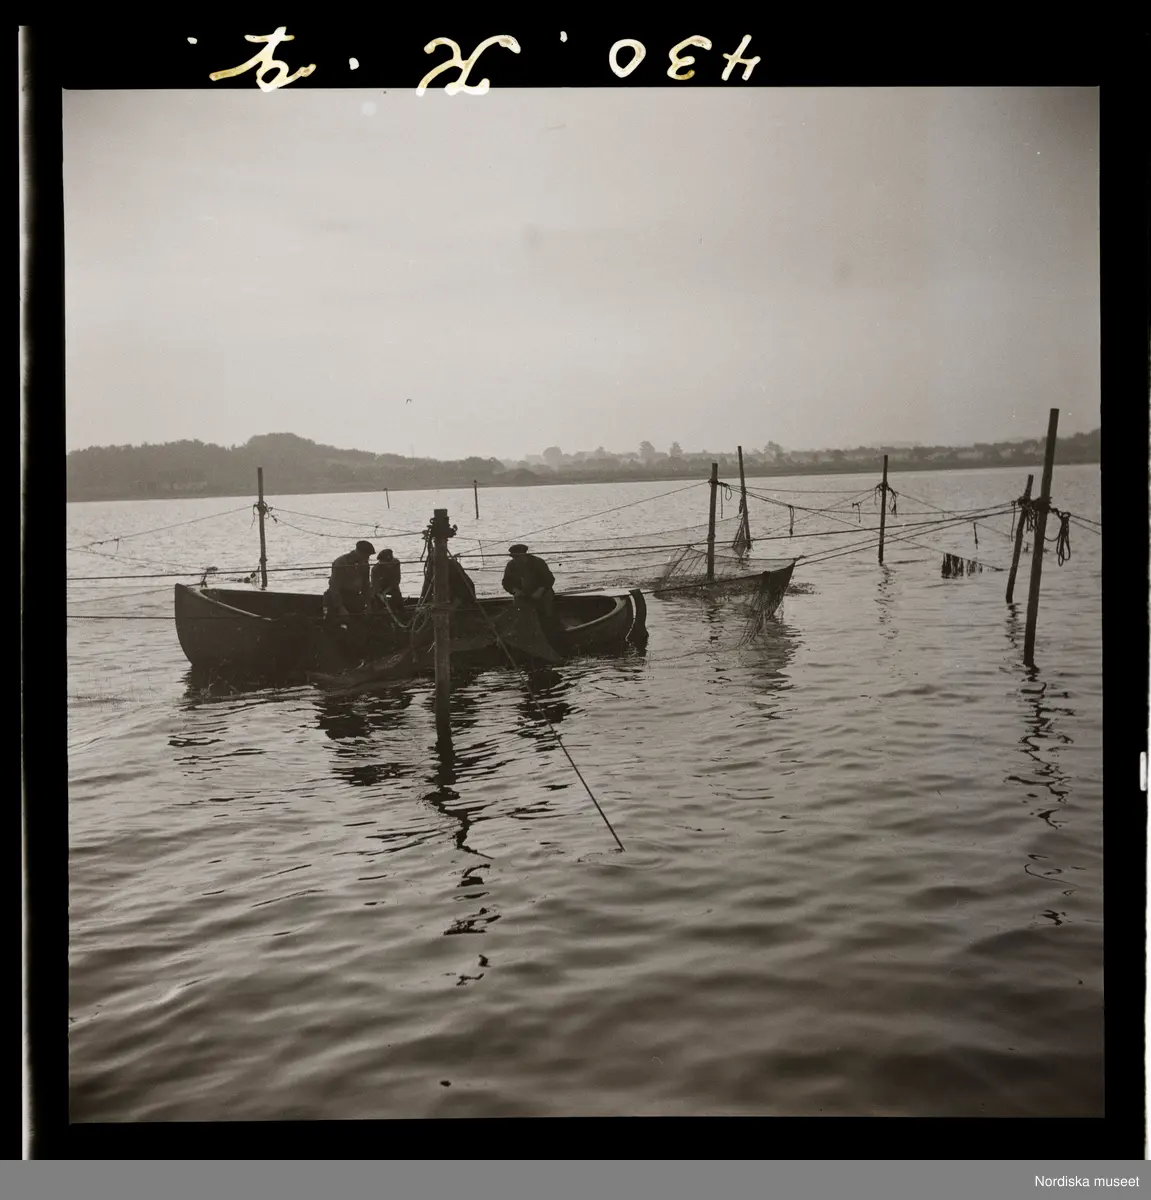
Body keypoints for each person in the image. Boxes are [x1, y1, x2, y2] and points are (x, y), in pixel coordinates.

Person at [502, 544, 556, 620]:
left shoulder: (538, 562)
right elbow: (506, 582)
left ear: (524, 555)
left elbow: (549, 579)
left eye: (517, 557)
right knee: (520, 615)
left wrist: (540, 590)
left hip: (541, 593)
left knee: (546, 613)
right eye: (514, 557)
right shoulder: (511, 565)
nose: (515, 559)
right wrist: (514, 590)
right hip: (522, 595)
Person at [323, 540, 374, 618]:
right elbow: (334, 587)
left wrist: (368, 603)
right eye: (366, 555)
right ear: (359, 553)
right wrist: (339, 607)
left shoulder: (364, 564)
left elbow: (366, 585)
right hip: (338, 597)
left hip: (354, 598)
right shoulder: (341, 562)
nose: (368, 558)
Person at [370, 548, 404, 614]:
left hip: (391, 585)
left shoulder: (396, 563)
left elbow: (396, 580)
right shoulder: (375, 569)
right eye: (380, 562)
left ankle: (399, 612)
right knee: (375, 600)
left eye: (384, 563)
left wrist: (386, 591)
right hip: (379, 585)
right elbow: (375, 585)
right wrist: (380, 594)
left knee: (397, 597)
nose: (381, 564)